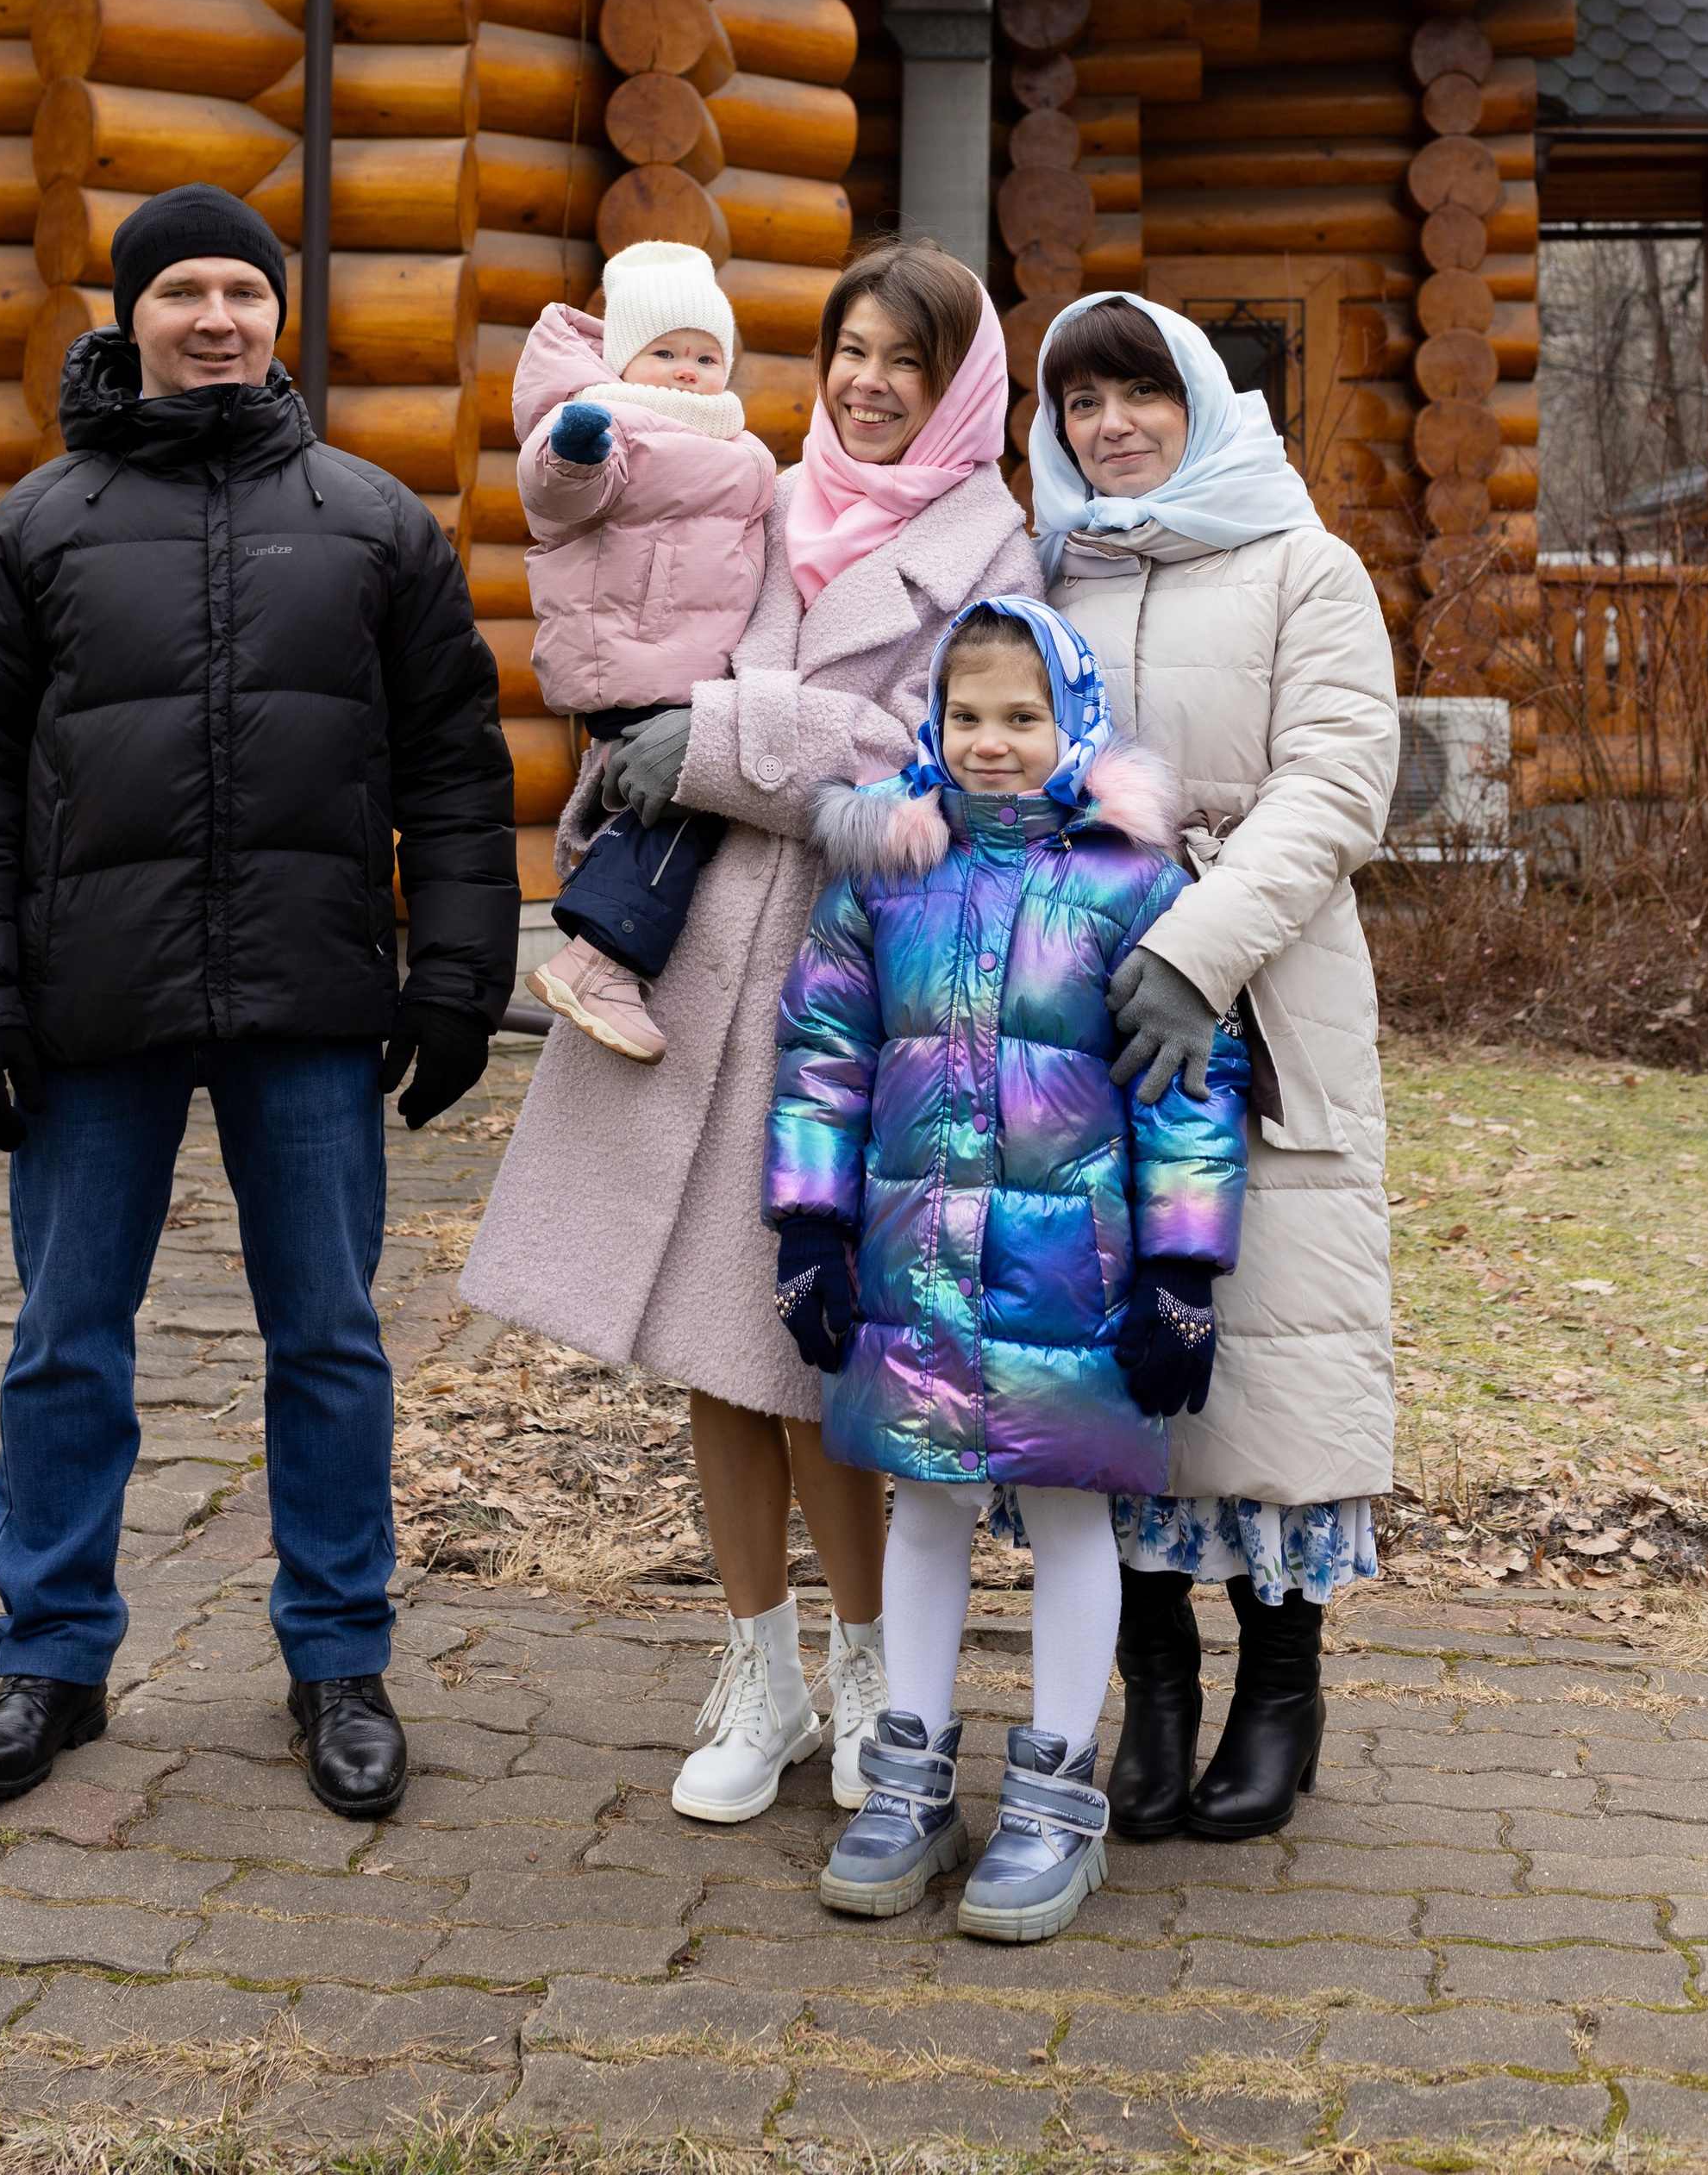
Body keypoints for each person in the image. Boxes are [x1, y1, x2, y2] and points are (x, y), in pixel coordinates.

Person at [0, 183, 518, 1824]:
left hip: (313, 1005)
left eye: (244, 287)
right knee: (63, 1346)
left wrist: (456, 978)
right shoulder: (38, 527)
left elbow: (456, 767)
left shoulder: (374, 522)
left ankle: (338, 1659)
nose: (218, 316)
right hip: (86, 1009)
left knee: (326, 1340)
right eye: (183, 290)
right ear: (131, 317)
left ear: (280, 315)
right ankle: (50, 1660)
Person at [462, 241, 1035, 1821]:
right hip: (698, 961)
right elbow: (614, 586)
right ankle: (756, 1667)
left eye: (900, 363)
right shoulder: (761, 489)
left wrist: (710, 739)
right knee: (707, 1348)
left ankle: (871, 1674)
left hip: (860, 991)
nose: (863, 383)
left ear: (956, 386)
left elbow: (942, 765)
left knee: (816, 1342)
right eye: (846, 350)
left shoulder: (997, 557)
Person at [769, 597, 1251, 1942]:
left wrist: (1181, 1271)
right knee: (921, 1506)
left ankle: (1055, 1794)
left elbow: (1193, 1087)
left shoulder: (1135, 881)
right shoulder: (884, 877)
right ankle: (910, 1777)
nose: (992, 744)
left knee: (1065, 1515)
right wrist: (810, 1226)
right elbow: (821, 1054)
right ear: (934, 724)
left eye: (1022, 719)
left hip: (1075, 1277)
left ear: (1075, 725)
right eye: (967, 718)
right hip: (914, 1265)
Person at [1029, 290, 1399, 1843]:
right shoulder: (1043, 575)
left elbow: (1339, 779)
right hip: (1078, 1010)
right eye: (1082, 404)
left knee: (1269, 1346)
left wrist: (1198, 942)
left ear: (1201, 399)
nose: (1113, 426)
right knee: (1117, 1357)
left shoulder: (1304, 563)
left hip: (1259, 1006)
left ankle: (1282, 1689)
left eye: (1141, 394)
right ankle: (1158, 1684)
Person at [515, 240, 778, 1060]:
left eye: (705, 354)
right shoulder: (609, 418)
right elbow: (556, 494)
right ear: (624, 356)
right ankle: (602, 957)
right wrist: (577, 451)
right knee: (684, 804)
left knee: (666, 810)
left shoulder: (737, 442)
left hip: (696, 664)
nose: (687, 370)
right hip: (633, 654)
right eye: (665, 352)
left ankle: (602, 952)